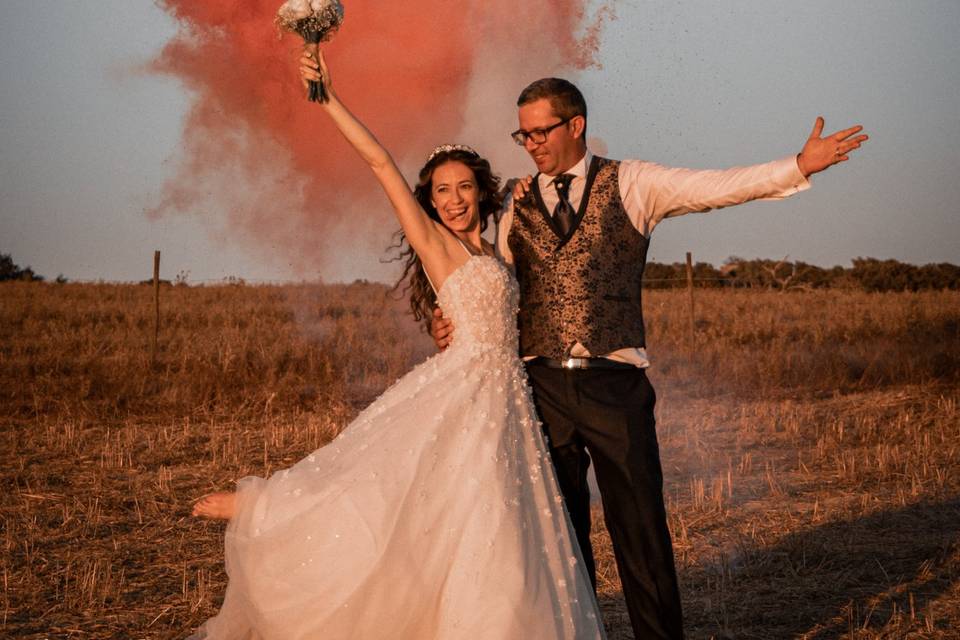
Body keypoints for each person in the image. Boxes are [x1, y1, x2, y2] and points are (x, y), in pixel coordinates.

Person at [187, 51, 606, 639]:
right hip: (461, 388)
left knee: (492, 525)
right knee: (380, 489)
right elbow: (381, 163)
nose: (454, 199)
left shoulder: (498, 248)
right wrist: (328, 96)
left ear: (481, 193)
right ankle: (265, 509)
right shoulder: (435, 244)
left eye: (464, 188)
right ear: (430, 200)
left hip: (509, 400)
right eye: (442, 191)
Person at [431, 77, 868, 639]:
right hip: (539, 389)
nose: (531, 143)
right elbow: (495, 284)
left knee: (641, 534)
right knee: (561, 540)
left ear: (576, 125)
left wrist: (797, 166)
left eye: (541, 131)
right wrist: (454, 322)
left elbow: (717, 187)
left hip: (616, 386)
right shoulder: (514, 200)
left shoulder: (633, 182)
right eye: (523, 134)